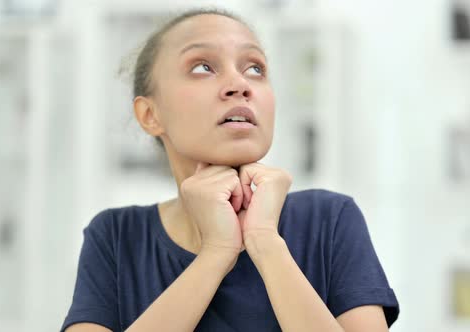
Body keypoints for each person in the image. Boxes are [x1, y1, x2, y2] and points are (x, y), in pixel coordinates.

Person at [61, 7, 399, 332]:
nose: (240, 84)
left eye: (255, 68)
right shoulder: (116, 237)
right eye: (202, 67)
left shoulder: (329, 219)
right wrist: (216, 253)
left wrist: (265, 241)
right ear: (150, 115)